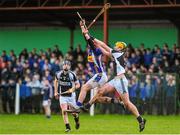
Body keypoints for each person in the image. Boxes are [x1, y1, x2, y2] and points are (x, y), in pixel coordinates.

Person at [79, 25, 146, 132]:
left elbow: (103, 44)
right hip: (115, 80)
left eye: (118, 45)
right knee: (100, 91)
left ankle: (140, 119)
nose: (116, 46)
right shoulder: (115, 54)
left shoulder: (118, 53)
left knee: (127, 103)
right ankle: (87, 105)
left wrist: (90, 35)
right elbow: (102, 49)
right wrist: (86, 35)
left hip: (121, 81)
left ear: (121, 48)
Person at [75, 20, 124, 110]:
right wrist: (83, 27)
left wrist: (85, 32)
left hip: (100, 75)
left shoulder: (96, 50)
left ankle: (77, 107)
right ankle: (116, 101)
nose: (93, 42)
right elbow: (88, 39)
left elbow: (89, 40)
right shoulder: (92, 49)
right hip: (101, 75)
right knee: (97, 97)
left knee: (84, 88)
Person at [54, 60, 80, 132]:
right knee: (64, 111)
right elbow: (55, 81)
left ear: (70, 66)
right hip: (62, 96)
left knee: (73, 113)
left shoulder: (72, 74)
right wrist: (55, 92)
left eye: (68, 65)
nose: (66, 66)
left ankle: (77, 119)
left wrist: (73, 88)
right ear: (62, 66)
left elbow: (78, 85)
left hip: (71, 96)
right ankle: (68, 127)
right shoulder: (58, 74)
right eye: (65, 64)